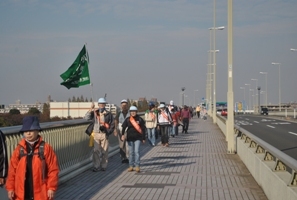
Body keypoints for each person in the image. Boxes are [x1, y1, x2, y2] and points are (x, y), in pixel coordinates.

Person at [5, 116, 59, 200]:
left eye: (31, 130)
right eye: (26, 131)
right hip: (21, 192)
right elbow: (12, 170)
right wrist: (10, 188)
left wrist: (51, 187)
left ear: (37, 131)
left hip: (41, 192)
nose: (28, 133)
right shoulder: (19, 149)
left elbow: (53, 169)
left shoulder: (46, 148)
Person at [84, 98, 115, 172]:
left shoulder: (108, 114)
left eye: (103, 104)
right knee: (96, 151)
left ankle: (103, 165)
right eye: (100, 104)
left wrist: (108, 131)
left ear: (105, 105)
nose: (101, 105)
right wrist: (91, 109)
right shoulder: (95, 113)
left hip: (104, 134)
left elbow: (112, 124)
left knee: (105, 151)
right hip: (96, 133)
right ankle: (96, 166)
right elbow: (86, 118)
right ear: (98, 105)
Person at [121, 106, 146, 173]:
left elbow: (143, 129)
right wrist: (122, 135)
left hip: (138, 138)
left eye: (134, 111)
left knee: (136, 152)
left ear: (136, 112)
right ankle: (131, 166)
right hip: (130, 138)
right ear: (130, 112)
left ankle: (137, 166)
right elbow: (123, 127)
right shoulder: (128, 119)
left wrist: (143, 138)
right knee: (131, 152)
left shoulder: (140, 119)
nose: (133, 112)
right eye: (132, 111)